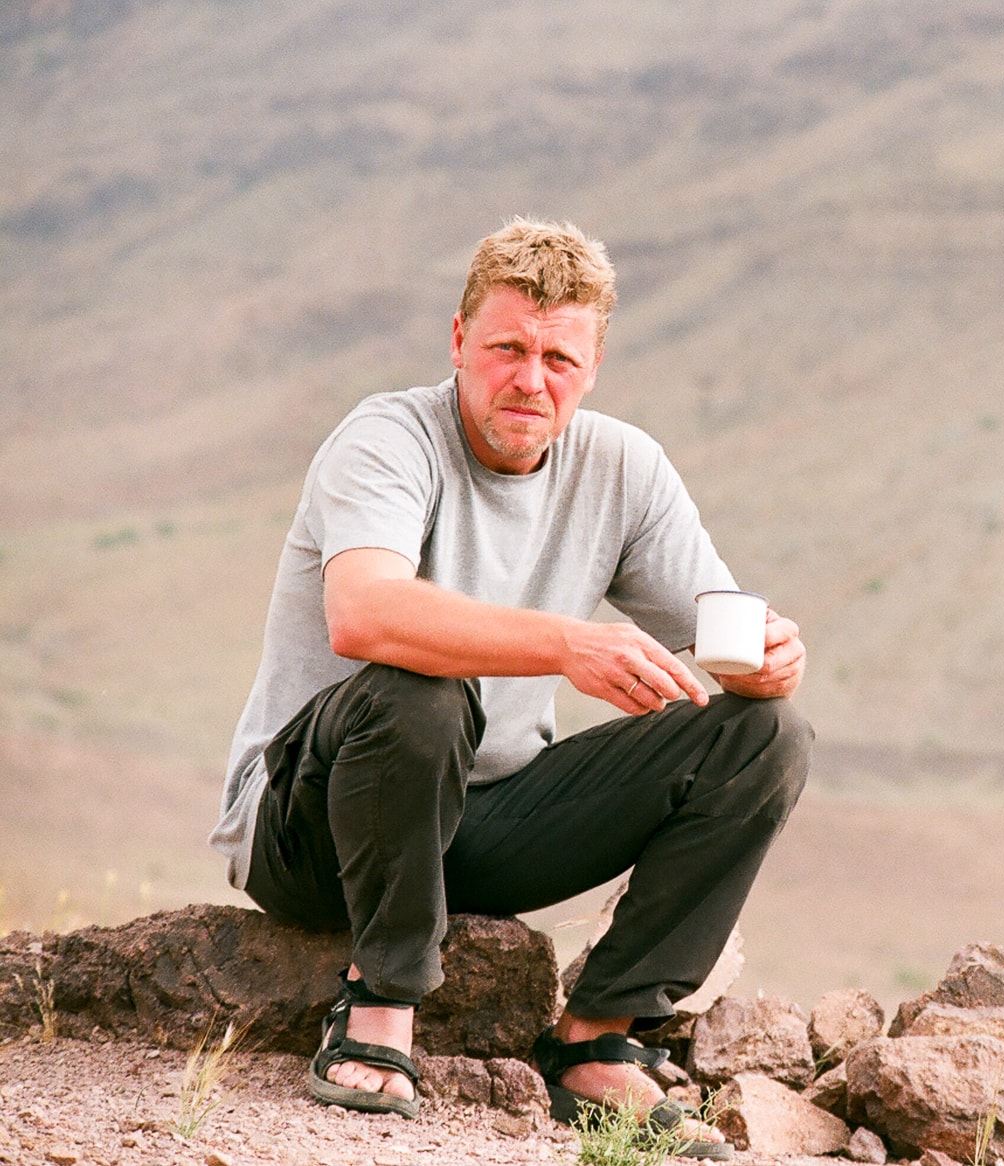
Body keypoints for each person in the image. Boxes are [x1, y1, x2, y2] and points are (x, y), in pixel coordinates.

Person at [209, 218, 811, 1154]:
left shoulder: (623, 468)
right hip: (313, 828)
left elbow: (719, 625)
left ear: (594, 365)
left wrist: (771, 659)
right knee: (421, 686)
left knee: (765, 738)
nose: (533, 379)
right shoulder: (386, 438)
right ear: (458, 342)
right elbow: (363, 614)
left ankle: (597, 1040)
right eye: (508, 349)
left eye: (560, 358)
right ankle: (379, 1003)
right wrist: (566, 647)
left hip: (478, 831)